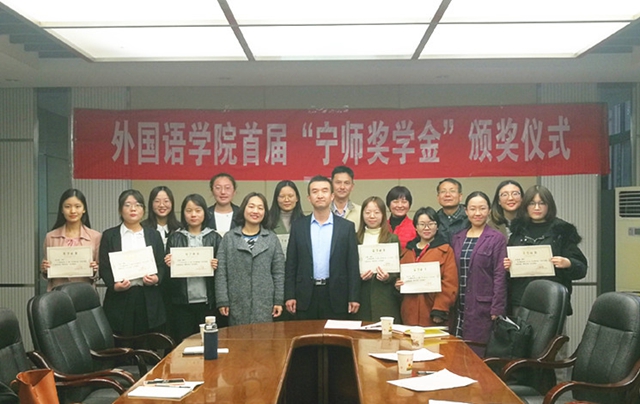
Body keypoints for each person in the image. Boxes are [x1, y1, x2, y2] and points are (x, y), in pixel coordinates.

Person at [284, 175, 360, 320]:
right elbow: (291, 264)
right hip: (305, 295)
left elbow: (352, 265)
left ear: (332, 196)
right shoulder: (298, 226)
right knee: (305, 334)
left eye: (324, 191)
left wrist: (354, 296)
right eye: (315, 191)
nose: (320, 195)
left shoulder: (346, 227)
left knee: (335, 334)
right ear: (309, 198)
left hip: (337, 295)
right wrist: (289, 295)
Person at [504, 185, 587, 316]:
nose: (537, 208)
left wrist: (568, 263)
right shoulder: (517, 231)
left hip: (552, 301)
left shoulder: (562, 231)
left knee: (551, 331)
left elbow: (581, 269)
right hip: (521, 300)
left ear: (549, 206)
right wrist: (508, 267)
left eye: (542, 203)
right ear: (525, 206)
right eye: (532, 203)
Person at [99, 189, 167, 336]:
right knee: (123, 341)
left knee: (147, 342)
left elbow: (161, 264)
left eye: (138, 205)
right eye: (127, 205)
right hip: (120, 298)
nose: (133, 209)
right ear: (120, 209)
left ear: (144, 209)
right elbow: (104, 266)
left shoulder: (153, 235)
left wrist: (156, 278)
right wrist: (114, 285)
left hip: (147, 296)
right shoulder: (110, 235)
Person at [451, 191, 507, 355]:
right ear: (466, 211)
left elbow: (500, 275)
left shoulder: (497, 238)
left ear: (489, 210)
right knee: (456, 354)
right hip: (459, 305)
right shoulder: (457, 238)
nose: (477, 213)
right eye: (473, 209)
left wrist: (497, 308)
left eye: (482, 208)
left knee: (477, 354)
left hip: (482, 306)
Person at [216, 192, 285, 325]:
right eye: (251, 206)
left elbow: (279, 273)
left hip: (264, 303)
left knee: (264, 336)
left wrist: (278, 300)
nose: (255, 211)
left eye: (260, 208)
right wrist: (222, 300)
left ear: (265, 212)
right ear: (243, 209)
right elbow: (221, 273)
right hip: (236, 302)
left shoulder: (272, 239)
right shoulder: (229, 238)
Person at [164, 194, 221, 343]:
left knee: (207, 342)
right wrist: (169, 265)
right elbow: (167, 278)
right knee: (184, 342)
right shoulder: (175, 237)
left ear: (205, 213)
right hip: (182, 303)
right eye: (189, 210)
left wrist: (217, 265)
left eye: (198, 210)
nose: (193, 214)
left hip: (208, 302)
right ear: (183, 213)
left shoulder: (215, 237)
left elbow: (223, 272)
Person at [395, 207, 458, 327]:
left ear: (437, 226)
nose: (426, 228)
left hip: (433, 312)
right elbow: (398, 278)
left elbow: (450, 283)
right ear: (416, 227)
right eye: (422, 224)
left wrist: (440, 310)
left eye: (431, 224)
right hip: (408, 312)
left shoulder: (445, 250)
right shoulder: (407, 251)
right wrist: (398, 285)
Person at [41, 189, 101, 291]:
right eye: (67, 206)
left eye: (77, 206)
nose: (73, 211)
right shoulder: (51, 237)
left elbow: (101, 271)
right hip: (57, 293)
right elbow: (47, 270)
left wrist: (95, 269)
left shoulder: (96, 237)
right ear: (62, 209)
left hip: (84, 292)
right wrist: (45, 269)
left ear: (84, 209)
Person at [353, 196, 401, 322]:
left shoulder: (392, 239)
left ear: (383, 215)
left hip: (385, 297)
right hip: (362, 297)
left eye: (376, 212)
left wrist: (388, 277)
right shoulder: (354, 238)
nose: (372, 216)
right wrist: (359, 277)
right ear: (362, 214)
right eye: (368, 212)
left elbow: (398, 271)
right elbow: (349, 267)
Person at [436, 178, 470, 242]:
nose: (447, 195)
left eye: (452, 191)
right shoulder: (434, 219)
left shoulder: (470, 217)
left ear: (460, 196)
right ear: (438, 197)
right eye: (443, 191)